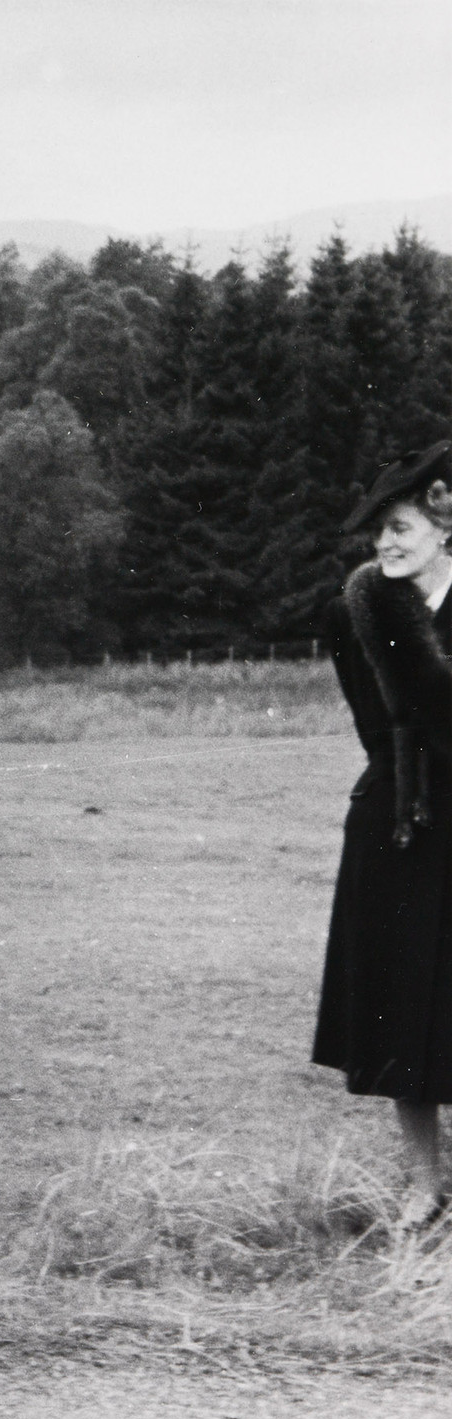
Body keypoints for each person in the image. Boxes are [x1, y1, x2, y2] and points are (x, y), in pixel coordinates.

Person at [316, 438, 452, 1232]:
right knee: (405, 1012)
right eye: (379, 534)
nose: (386, 544)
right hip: (398, 829)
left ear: (444, 526)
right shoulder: (356, 612)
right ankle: (425, 1187)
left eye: (400, 527)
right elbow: (377, 731)